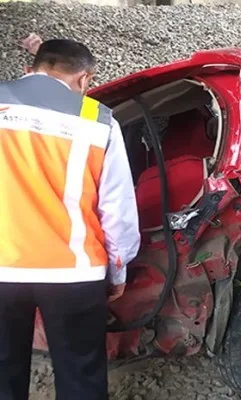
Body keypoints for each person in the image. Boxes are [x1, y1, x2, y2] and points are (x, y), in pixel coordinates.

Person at [0, 38, 140, 400]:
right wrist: (119, 269)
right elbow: (117, 209)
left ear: (33, 67)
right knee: (80, 375)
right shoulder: (98, 120)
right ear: (84, 77)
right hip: (73, 273)